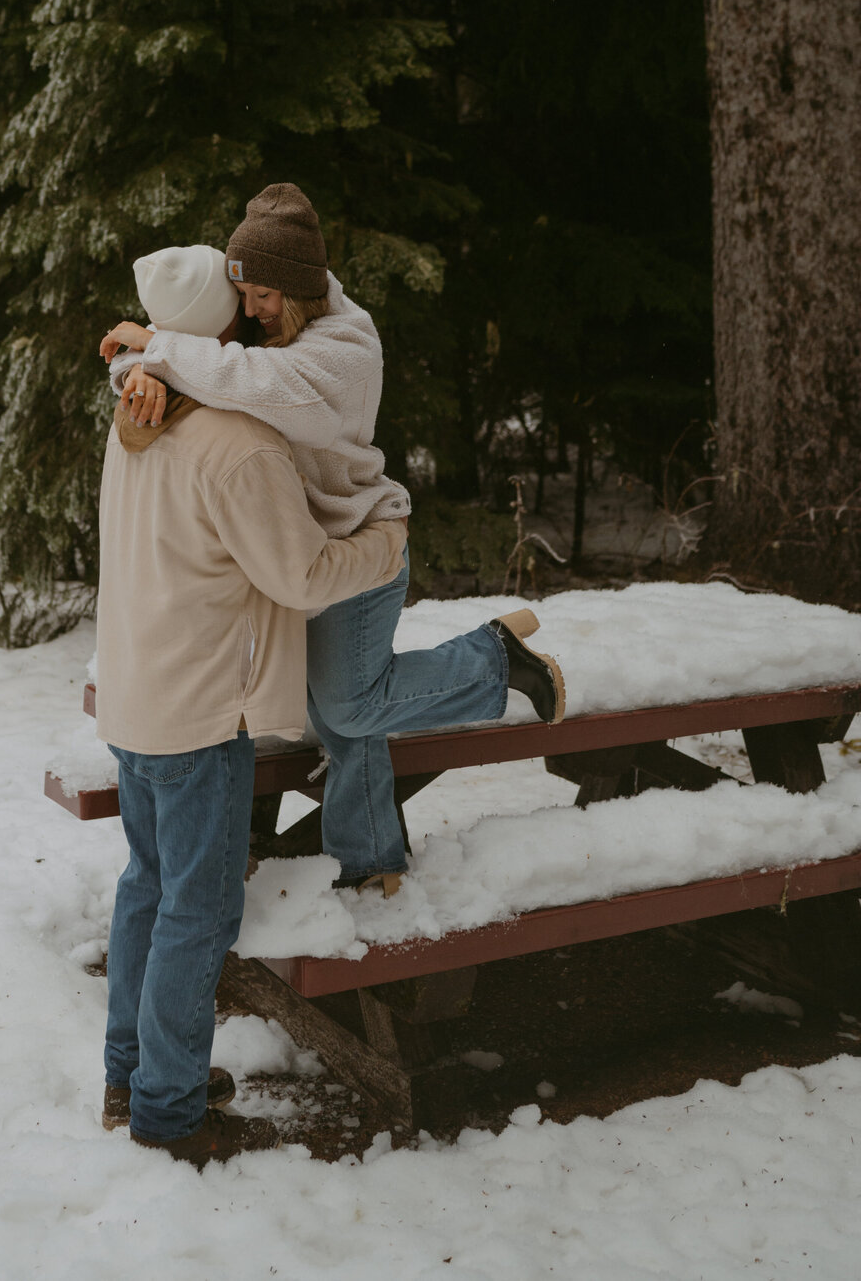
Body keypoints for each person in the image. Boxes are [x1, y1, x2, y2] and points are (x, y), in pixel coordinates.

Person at [102, 185, 564, 896]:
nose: (251, 310)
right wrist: (137, 373)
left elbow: (248, 378)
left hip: (359, 546)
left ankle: (495, 661)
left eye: (262, 296)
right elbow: (196, 353)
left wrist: (157, 352)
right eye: (243, 296)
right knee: (332, 712)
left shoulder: (346, 347)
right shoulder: (268, 324)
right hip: (294, 554)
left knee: (348, 706)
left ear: (296, 288)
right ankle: (368, 856)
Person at [97, 241, 408, 1167]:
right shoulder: (241, 446)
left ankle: (131, 1075)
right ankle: (168, 1110)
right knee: (197, 912)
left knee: (146, 889)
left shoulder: (138, 415)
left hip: (136, 696)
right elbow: (301, 576)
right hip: (200, 713)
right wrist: (384, 544)